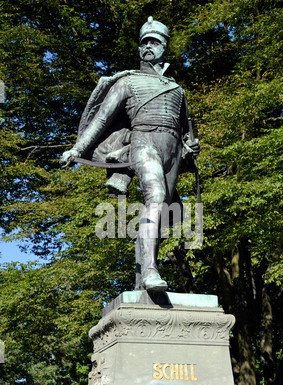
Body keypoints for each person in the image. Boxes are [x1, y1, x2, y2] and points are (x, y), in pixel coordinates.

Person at [60, 17, 200, 292]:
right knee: (156, 198)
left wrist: (190, 148)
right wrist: (77, 148)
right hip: (142, 142)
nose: (148, 46)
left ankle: (143, 279)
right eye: (144, 42)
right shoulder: (127, 82)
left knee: (161, 214)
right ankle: (149, 271)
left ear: (165, 47)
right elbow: (100, 120)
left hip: (171, 149)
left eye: (155, 42)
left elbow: (184, 132)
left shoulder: (178, 90)